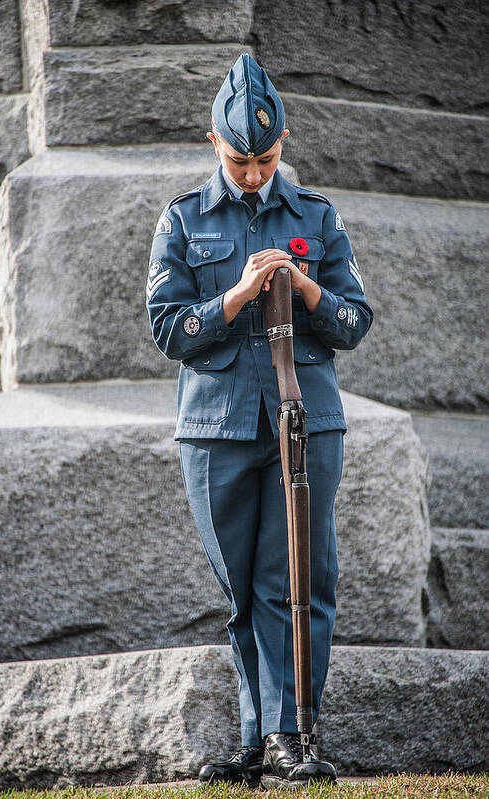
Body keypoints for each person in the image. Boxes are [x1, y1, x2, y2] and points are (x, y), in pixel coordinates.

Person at [146, 53, 373, 788]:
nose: (252, 174)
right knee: (241, 589)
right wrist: (235, 298)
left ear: (283, 147)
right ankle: (256, 737)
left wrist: (304, 287)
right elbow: (166, 328)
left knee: (296, 579)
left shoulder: (316, 215)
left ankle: (291, 735)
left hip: (305, 421)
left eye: (266, 159)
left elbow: (353, 322)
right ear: (213, 143)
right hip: (214, 428)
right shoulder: (183, 218)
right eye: (241, 159)